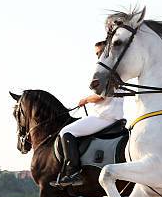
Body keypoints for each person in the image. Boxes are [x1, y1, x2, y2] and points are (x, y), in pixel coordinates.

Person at [51, 41, 124, 187]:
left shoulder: (106, 72)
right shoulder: (117, 71)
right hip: (112, 115)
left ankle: (73, 172)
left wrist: (85, 99)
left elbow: (101, 97)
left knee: (66, 131)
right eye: (96, 54)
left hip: (104, 116)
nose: (97, 56)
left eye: (99, 53)